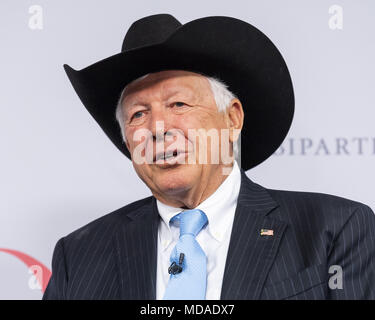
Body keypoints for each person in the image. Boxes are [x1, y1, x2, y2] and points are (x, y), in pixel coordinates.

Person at [43, 14, 375, 300]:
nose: (158, 128)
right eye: (138, 115)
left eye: (178, 104)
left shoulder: (334, 230)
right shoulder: (78, 257)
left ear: (232, 119)